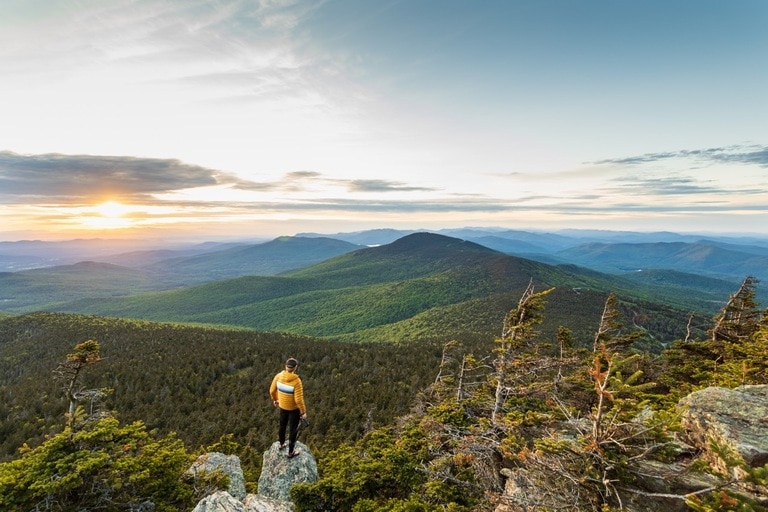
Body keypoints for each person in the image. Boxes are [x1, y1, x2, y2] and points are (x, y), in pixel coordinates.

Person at [269, 357, 307, 458]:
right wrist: (303, 412)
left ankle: (281, 444)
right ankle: (291, 452)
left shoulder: (278, 376)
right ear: (295, 368)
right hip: (294, 409)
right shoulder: (297, 381)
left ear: (286, 366)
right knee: (293, 430)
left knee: (282, 425)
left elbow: (272, 390)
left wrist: (275, 399)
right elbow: (298, 400)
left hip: (282, 406)